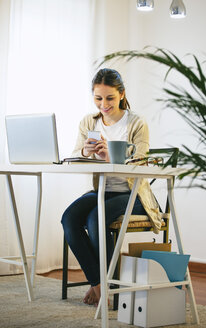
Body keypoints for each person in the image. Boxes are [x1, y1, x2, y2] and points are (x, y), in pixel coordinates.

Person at [61, 68, 162, 306]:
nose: (103, 104)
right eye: (98, 98)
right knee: (69, 218)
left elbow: (142, 162)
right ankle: (99, 285)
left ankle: (107, 286)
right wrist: (86, 151)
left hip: (133, 194)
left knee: (97, 218)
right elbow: (75, 154)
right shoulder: (89, 121)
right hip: (103, 191)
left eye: (109, 98)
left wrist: (112, 157)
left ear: (121, 95)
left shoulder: (136, 122)